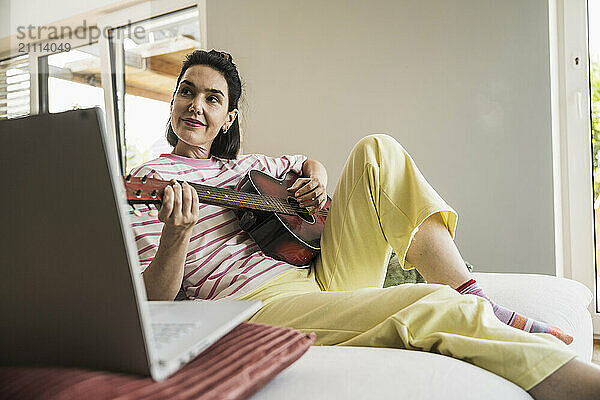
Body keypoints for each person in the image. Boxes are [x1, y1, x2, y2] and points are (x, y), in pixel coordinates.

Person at [128, 49, 600, 399]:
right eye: (187, 91)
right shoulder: (144, 183)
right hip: (256, 304)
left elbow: (309, 164)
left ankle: (471, 292)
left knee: (378, 149)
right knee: (427, 304)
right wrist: (177, 234)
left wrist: (315, 180)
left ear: (228, 117)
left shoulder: (248, 165)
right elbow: (153, 299)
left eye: (213, 98)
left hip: (320, 274)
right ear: (172, 102)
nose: (197, 105)